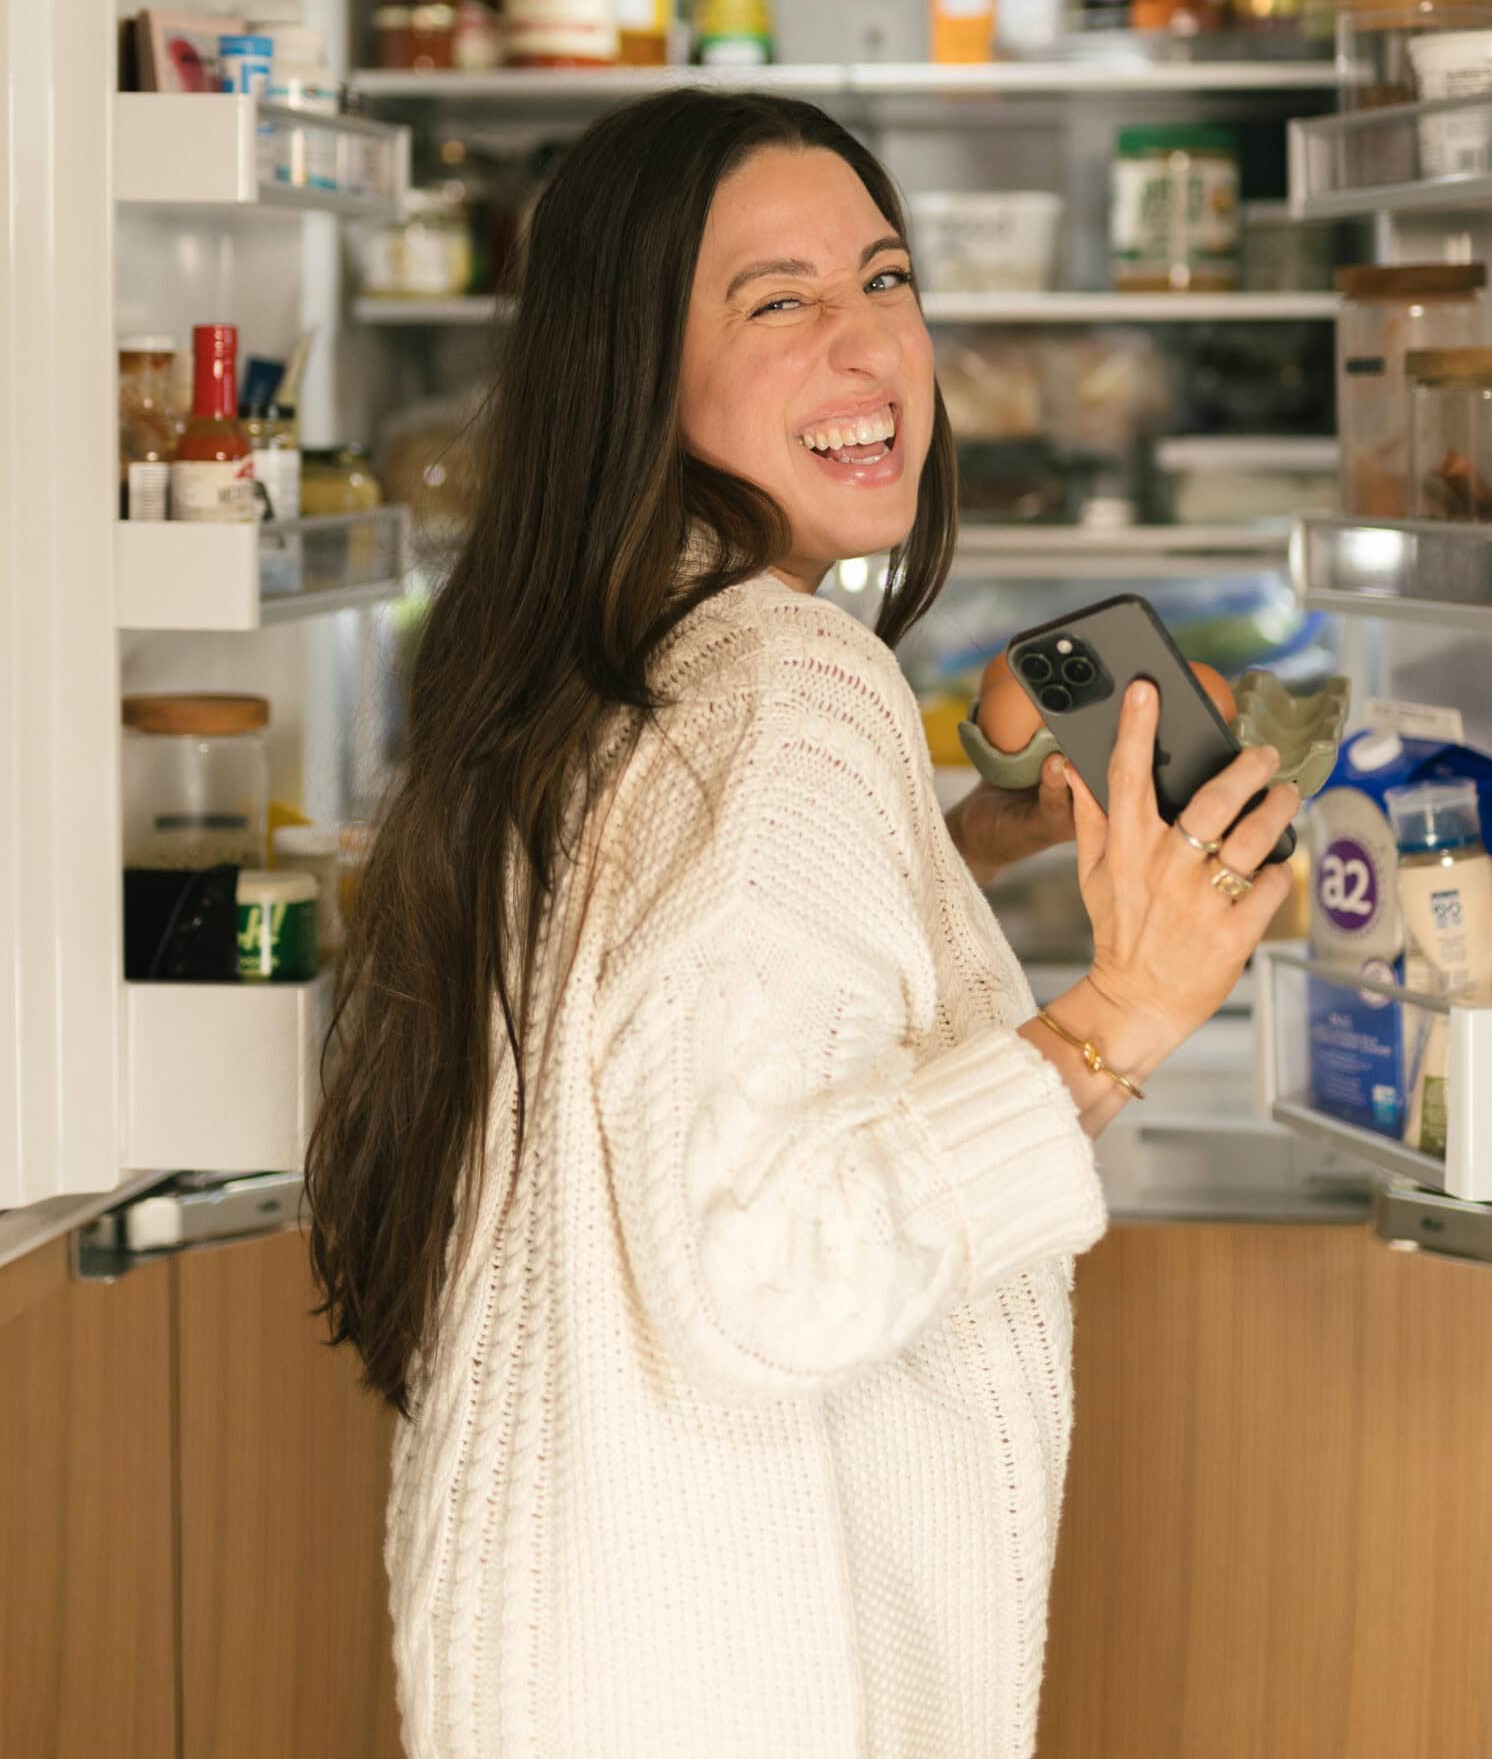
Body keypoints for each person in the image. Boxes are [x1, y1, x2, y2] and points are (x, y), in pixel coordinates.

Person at [307, 89, 1298, 1759]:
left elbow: (670, 1004)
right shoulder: (790, 679)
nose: (872, 346)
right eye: (781, 301)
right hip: (740, 1675)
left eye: (887, 278)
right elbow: (775, 1270)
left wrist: (961, 841)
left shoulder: (612, 649)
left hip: (583, 1638)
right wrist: (1121, 1014)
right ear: (641, 366)